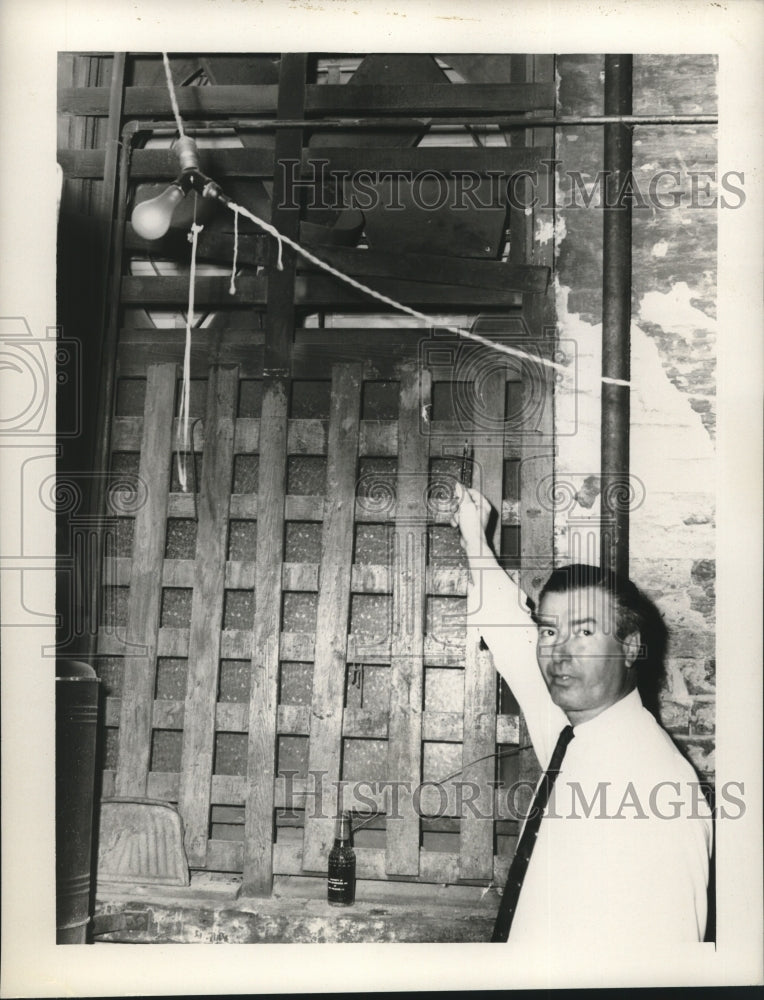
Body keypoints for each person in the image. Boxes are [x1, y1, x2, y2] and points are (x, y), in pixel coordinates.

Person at [451, 484, 713, 945]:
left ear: (629, 647)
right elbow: (514, 643)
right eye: (550, 631)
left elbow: (671, 964)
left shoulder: (663, 791)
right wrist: (476, 541)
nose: (560, 653)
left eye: (585, 632)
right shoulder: (576, 730)